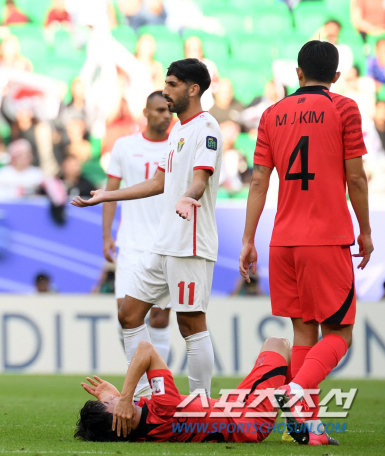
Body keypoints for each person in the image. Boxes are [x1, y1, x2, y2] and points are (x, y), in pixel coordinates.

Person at [239, 40, 373, 446]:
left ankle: (307, 429)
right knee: (341, 334)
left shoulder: (272, 113)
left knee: (303, 332)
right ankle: (296, 390)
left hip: (283, 241)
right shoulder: (343, 108)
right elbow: (356, 177)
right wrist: (366, 230)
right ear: (336, 76)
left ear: (298, 73)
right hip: (326, 238)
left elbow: (258, 181)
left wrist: (248, 239)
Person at [73, 59, 222, 398]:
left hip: (189, 244)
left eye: (172, 84)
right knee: (128, 314)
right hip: (164, 243)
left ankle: (200, 403)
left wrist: (188, 198)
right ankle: (144, 397)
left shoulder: (206, 128)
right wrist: (108, 195)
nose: (166, 90)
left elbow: (200, 179)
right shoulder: (179, 131)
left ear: (193, 89)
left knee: (190, 324)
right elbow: (157, 182)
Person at [75, 336, 306, 444]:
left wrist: (116, 398)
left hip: (234, 407)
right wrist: (125, 397)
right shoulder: (163, 407)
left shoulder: (143, 433)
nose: (114, 400)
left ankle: (292, 413)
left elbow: (127, 414)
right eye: (109, 404)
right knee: (278, 344)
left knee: (276, 356)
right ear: (118, 420)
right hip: (249, 416)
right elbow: (146, 349)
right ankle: (298, 422)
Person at [102, 91, 172, 400]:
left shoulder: (177, 145)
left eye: (169, 110)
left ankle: (157, 391)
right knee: (125, 315)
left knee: (159, 318)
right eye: (159, 110)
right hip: (130, 244)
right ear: (145, 112)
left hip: (165, 244)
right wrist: (107, 235)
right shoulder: (124, 146)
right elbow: (110, 192)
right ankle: (141, 381)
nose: (165, 115)